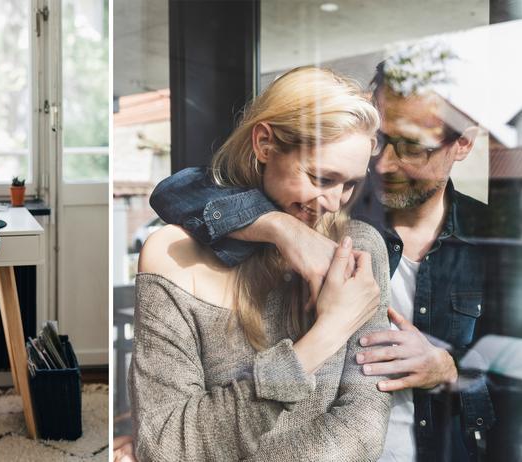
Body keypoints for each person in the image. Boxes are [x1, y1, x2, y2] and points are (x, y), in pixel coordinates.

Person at [149, 57, 495, 461]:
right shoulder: (329, 214)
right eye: (380, 142)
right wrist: (280, 226)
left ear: (464, 143)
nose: (381, 164)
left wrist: (450, 372)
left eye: (412, 146)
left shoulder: (499, 242)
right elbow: (178, 190)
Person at [130, 67, 392, 461]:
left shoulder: (359, 250)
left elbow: (365, 424)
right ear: (265, 143)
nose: (334, 202)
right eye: (321, 178)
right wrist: (326, 334)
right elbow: (166, 447)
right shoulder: (172, 255)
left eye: (350, 184)